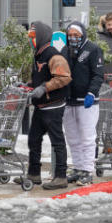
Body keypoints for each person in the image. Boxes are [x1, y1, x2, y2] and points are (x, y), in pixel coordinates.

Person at [22, 21, 73, 190]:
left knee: (57, 141)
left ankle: (60, 176)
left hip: (53, 105)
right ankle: (34, 174)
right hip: (40, 106)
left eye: (33, 36)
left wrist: (44, 87)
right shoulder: (38, 54)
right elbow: (40, 77)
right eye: (30, 37)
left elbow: (64, 77)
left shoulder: (54, 56)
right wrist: (27, 85)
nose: (31, 40)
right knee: (33, 139)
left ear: (42, 36)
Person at [62, 21, 103, 187]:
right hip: (69, 101)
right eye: (70, 35)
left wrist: (91, 93)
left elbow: (98, 74)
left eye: (76, 35)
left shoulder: (92, 49)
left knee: (87, 137)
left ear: (83, 35)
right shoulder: (65, 50)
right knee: (72, 137)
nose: (73, 38)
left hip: (87, 102)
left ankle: (87, 170)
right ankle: (78, 167)